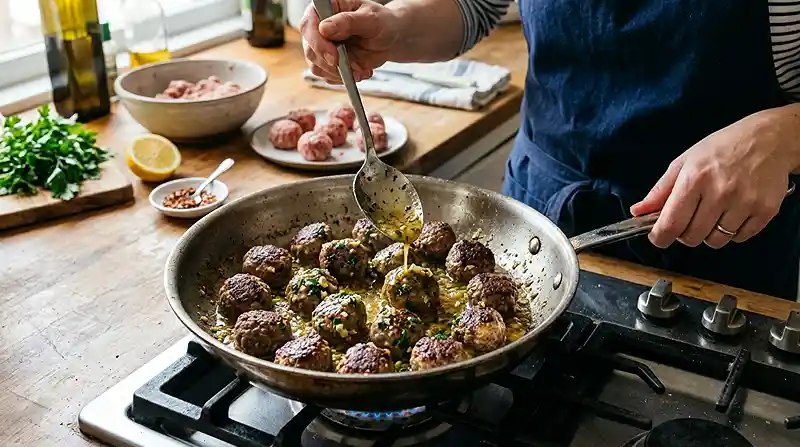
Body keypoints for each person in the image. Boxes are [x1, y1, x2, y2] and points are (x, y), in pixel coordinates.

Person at [300, 0, 800, 300]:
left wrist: (783, 133)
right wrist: (391, 24)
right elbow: (473, 5)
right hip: (541, 214)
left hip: (721, 236)